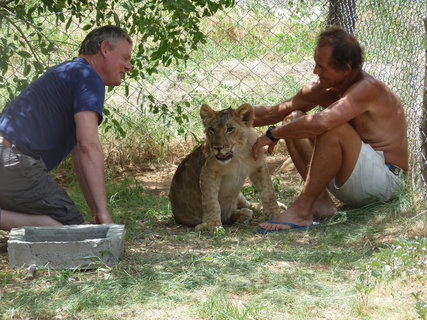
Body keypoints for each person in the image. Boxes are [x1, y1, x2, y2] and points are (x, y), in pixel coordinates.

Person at [252, 26, 408, 233]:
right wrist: (220, 119)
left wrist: (273, 134)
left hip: (385, 183)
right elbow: (272, 113)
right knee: (293, 118)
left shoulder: (368, 88)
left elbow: (323, 122)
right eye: (316, 64)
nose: (315, 71)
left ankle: (301, 210)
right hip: (354, 180)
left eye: (322, 67)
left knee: (334, 128)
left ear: (346, 69)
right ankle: (321, 204)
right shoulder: (322, 89)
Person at [0, 25, 132, 231]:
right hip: (11, 161)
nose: (128, 66)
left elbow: (80, 153)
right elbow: (89, 145)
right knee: (71, 229)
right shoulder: (89, 77)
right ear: (105, 49)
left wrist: (97, 212)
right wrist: (105, 217)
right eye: (125, 57)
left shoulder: (70, 72)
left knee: (72, 225)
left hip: (6, 161)